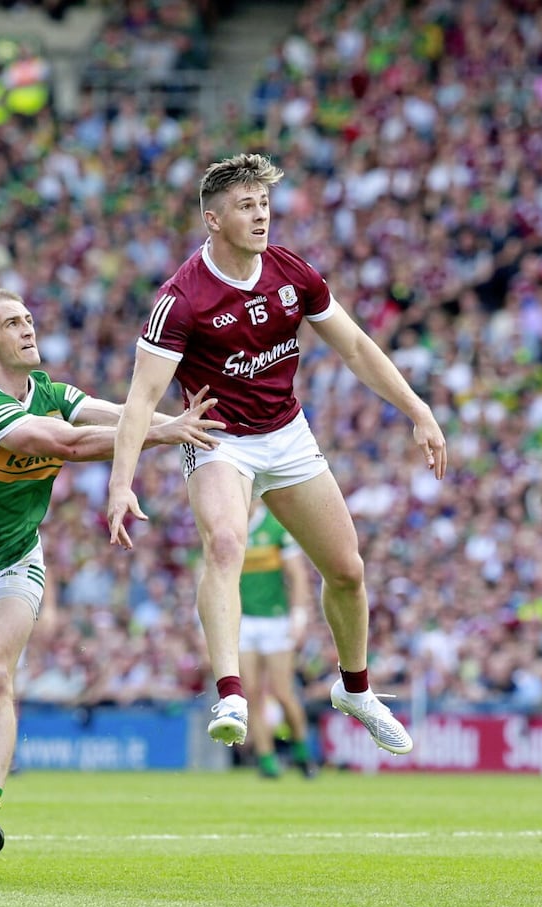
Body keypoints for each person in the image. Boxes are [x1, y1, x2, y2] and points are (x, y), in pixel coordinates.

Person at [107, 152, 447, 756]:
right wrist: (121, 482)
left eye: (264, 203)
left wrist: (418, 410)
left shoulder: (291, 272)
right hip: (219, 440)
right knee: (227, 544)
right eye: (246, 206)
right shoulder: (181, 298)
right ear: (213, 220)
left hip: (288, 435)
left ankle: (356, 691)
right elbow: (140, 401)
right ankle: (232, 693)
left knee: (347, 569)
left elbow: (358, 349)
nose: (261, 215)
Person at [0, 287, 223, 870]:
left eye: (29, 318)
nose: (28, 328)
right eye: (11, 323)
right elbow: (70, 444)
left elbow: (106, 412)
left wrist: (174, 419)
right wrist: (162, 432)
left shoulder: (49, 390)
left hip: (15, 562)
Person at [238, 500, 317, 779]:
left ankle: (301, 750)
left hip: (275, 620)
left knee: (282, 693)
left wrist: (299, 617)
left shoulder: (274, 527)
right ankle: (266, 758)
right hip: (243, 621)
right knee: (253, 694)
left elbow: (297, 576)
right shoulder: (229, 524)